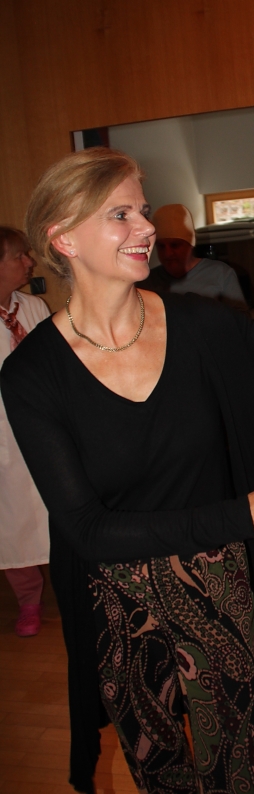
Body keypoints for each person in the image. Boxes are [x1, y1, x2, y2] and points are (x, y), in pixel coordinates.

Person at [0, 147, 254, 794]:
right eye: (120, 214)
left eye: (142, 210)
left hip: (216, 579)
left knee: (236, 764)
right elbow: (88, 530)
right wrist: (248, 513)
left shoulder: (201, 326)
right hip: (115, 599)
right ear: (64, 238)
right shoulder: (32, 374)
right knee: (159, 771)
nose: (146, 227)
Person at [0, 226, 50, 636]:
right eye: (19, 255)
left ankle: (76, 583)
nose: (29, 262)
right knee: (11, 518)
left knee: (58, 506)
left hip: (44, 425)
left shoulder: (34, 307)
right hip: (3, 434)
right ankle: (28, 600)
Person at [138, 202, 248, 310]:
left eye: (175, 245)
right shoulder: (146, 281)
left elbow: (240, 318)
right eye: (161, 246)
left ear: (190, 244)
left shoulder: (221, 273)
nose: (168, 253)